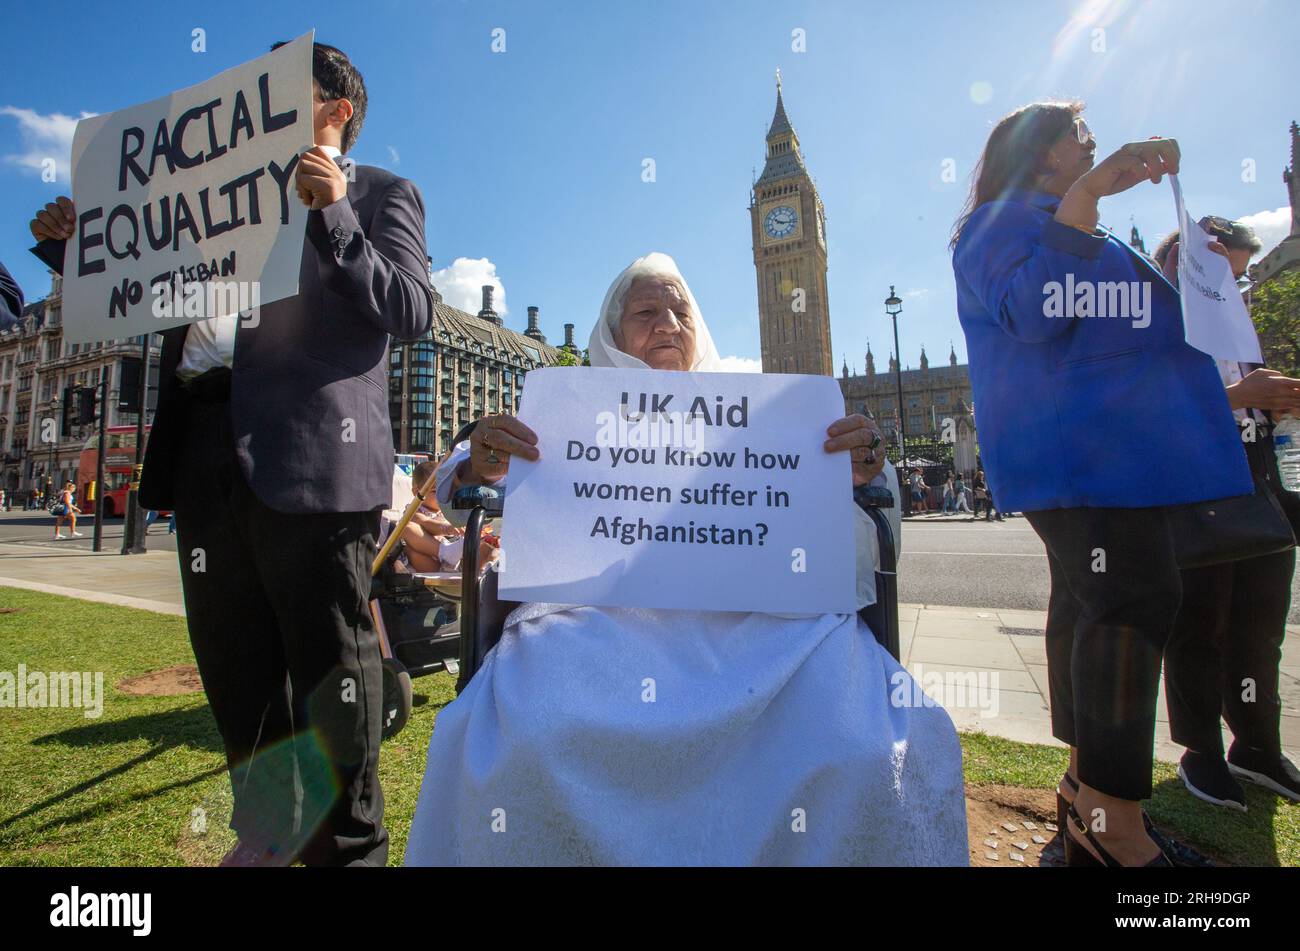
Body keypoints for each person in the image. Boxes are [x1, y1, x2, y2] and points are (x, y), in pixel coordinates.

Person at [405, 253, 965, 866]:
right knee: (535, 728)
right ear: (610, 335)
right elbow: (458, 493)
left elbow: (865, 499)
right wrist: (480, 462)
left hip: (761, 626)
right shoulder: (567, 415)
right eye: (646, 312)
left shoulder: (769, 415)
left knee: (857, 736)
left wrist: (863, 466)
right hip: (595, 622)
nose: (668, 324)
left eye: (681, 311)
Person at [30, 41, 433, 867]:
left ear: (334, 114)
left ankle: (348, 850)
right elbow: (135, 299)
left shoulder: (381, 193)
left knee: (331, 680)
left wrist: (333, 215)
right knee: (237, 678)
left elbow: (412, 307)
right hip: (207, 455)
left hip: (313, 464)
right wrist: (79, 249)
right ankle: (269, 835)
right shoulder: (207, 205)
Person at [952, 102, 1253, 866]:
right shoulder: (999, 224)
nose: (1092, 144)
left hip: (1118, 451)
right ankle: (1116, 828)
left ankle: (1087, 792)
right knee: (1134, 601)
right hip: (1083, 453)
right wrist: (1087, 202)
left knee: (1096, 605)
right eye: (1078, 138)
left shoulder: (1063, 218)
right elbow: (1030, 310)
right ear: (1040, 155)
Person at [1155, 218, 1300, 808]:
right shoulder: (1157, 322)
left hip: (1259, 487)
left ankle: (1258, 747)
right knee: (1199, 629)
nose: (1237, 289)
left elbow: (1252, 406)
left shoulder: (1238, 327)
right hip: (1196, 492)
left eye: (1241, 277)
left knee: (1259, 629)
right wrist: (1242, 396)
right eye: (1226, 273)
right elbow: (1153, 412)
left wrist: (1281, 403)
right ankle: (1202, 752)